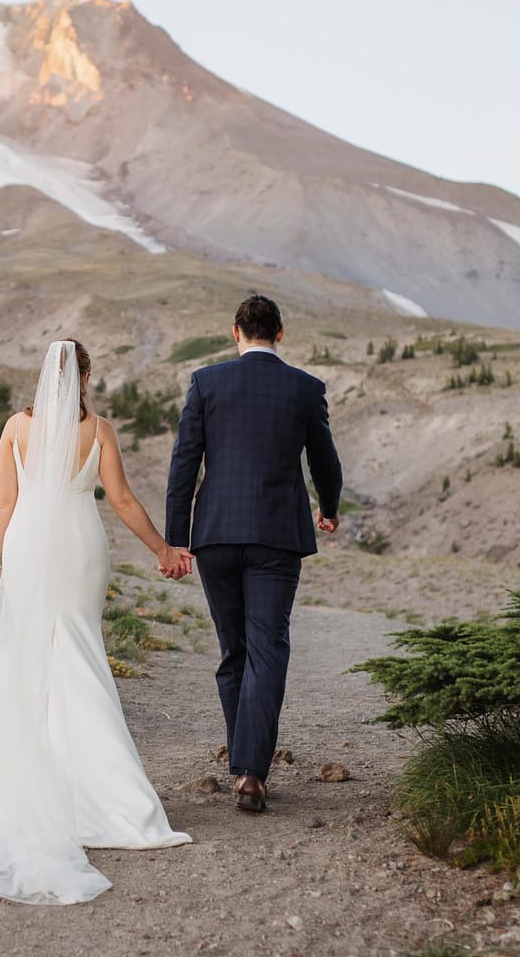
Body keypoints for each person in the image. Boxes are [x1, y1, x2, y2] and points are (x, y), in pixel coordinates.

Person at [0, 339, 192, 904]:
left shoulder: (15, 427)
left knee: (26, 657)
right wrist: (163, 549)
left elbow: (3, 502)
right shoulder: (98, 430)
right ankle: (106, 797)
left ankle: (7, 788)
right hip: (79, 548)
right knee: (78, 654)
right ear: (85, 377)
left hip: (28, 544)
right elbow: (122, 501)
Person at [164, 295, 343, 814]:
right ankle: (249, 773)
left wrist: (177, 537)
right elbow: (325, 460)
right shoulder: (305, 388)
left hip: (215, 533)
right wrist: (329, 507)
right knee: (268, 649)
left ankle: (243, 761)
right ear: (280, 333)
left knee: (234, 651)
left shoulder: (206, 382)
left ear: (235, 332)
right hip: (276, 535)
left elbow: (184, 462)